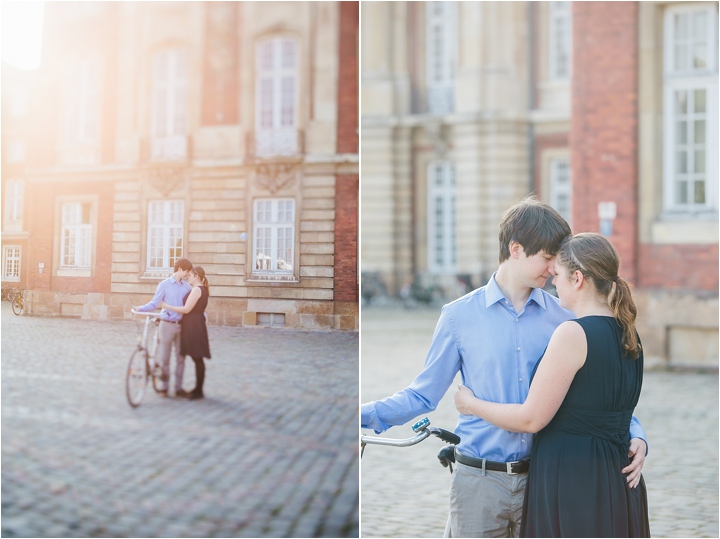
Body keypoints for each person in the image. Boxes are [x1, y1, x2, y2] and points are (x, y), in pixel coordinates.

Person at [361, 197, 647, 538]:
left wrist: (636, 433)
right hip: (478, 483)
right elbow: (421, 396)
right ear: (516, 249)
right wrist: (357, 416)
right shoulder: (458, 316)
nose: (554, 267)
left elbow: (596, 394)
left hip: (543, 483)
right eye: (547, 257)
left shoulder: (567, 318)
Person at [455, 232, 650, 537]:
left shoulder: (571, 334)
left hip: (575, 483)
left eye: (557, 274)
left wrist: (470, 405)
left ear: (578, 279)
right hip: (616, 480)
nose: (552, 281)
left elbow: (531, 418)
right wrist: (640, 438)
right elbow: (609, 411)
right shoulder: (629, 333)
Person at [134, 258, 193, 398]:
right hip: (166, 325)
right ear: (180, 269)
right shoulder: (164, 285)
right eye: (186, 271)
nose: (187, 274)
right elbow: (154, 304)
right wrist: (140, 309)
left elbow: (191, 306)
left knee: (181, 358)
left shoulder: (187, 287)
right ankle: (164, 388)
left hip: (182, 327)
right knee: (164, 358)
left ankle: (178, 388)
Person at [161, 266, 211, 400]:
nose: (188, 277)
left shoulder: (196, 290)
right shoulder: (202, 289)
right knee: (197, 358)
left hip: (193, 325)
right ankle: (197, 389)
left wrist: (168, 306)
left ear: (197, 277)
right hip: (195, 324)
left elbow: (186, 309)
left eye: (191, 275)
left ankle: (198, 391)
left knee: (197, 358)